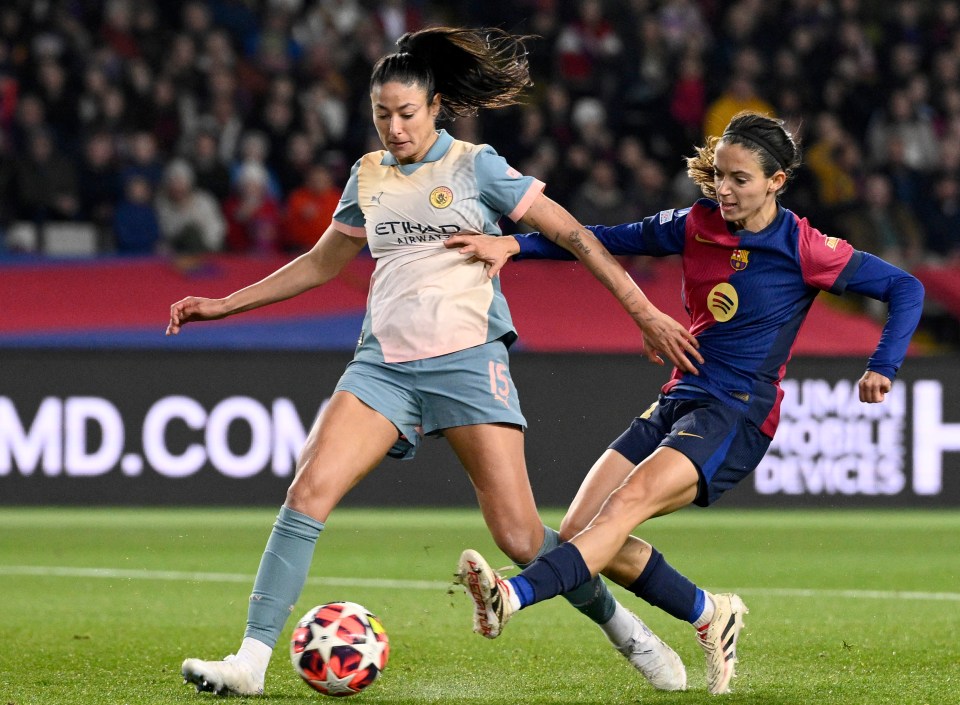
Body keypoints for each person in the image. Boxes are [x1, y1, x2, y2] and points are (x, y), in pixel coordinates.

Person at [167, 26, 701, 697]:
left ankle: (629, 631)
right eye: (381, 115)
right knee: (306, 493)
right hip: (382, 365)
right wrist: (225, 303)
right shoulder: (368, 176)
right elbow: (321, 262)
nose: (393, 127)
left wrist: (642, 310)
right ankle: (250, 660)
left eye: (406, 113)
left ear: (436, 105)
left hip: (467, 361)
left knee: (518, 534)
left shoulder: (476, 166)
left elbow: (570, 233)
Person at [449, 111, 925, 695]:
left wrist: (883, 365)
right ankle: (708, 612)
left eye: (740, 179)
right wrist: (515, 246)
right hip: (679, 396)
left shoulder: (802, 246)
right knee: (579, 529)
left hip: (735, 411)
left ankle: (513, 595)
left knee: (624, 506)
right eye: (719, 175)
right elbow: (602, 241)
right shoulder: (694, 223)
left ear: (776, 181)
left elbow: (907, 287)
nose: (723, 189)